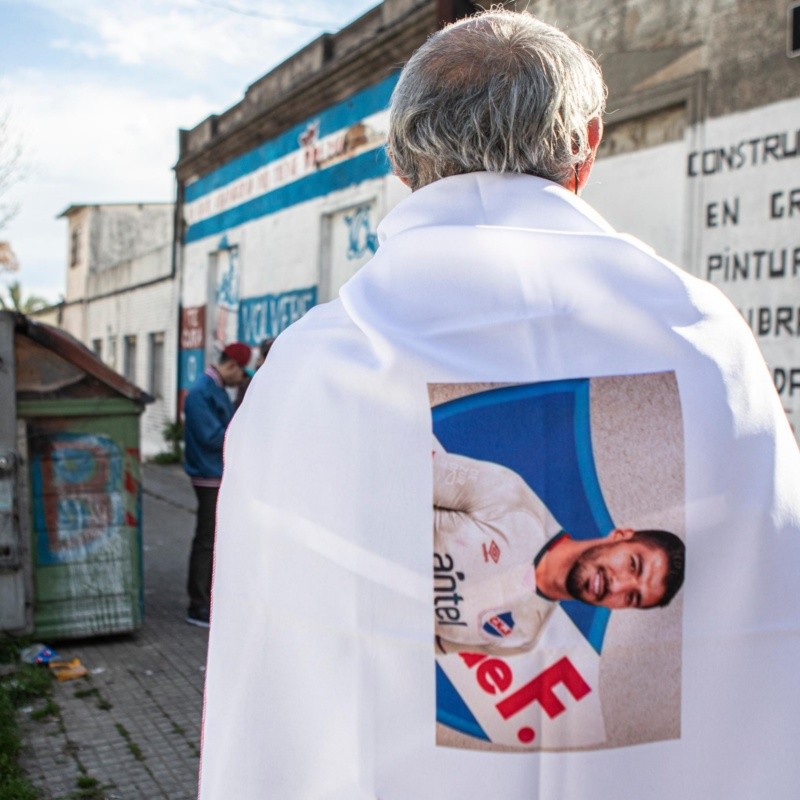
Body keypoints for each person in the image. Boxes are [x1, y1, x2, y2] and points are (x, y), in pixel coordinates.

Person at [200, 10, 800, 799]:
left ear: (399, 160)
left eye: (635, 590)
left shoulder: (314, 366)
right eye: (635, 572)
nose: (618, 589)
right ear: (586, 147)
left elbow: (277, 635)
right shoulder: (706, 340)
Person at [432, 445, 684, 655]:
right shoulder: (508, 496)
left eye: (631, 597)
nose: (617, 586)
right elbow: (402, 469)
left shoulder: (523, 638)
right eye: (633, 565)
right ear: (620, 536)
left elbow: (427, 645)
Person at [182, 341, 250, 627]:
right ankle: (198, 605)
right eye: (241, 371)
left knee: (213, 539)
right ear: (231, 365)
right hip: (208, 474)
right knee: (207, 539)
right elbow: (213, 437)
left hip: (214, 473)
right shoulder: (202, 392)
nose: (242, 378)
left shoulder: (213, 389)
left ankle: (206, 600)